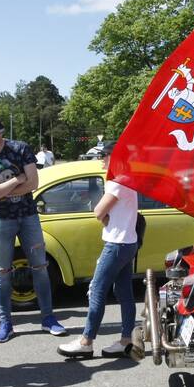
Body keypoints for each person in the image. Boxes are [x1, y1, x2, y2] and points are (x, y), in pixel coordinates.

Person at [0, 111, 67, 342]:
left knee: (40, 267)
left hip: (28, 216)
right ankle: (5, 323)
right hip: (0, 220)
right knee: (2, 271)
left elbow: (33, 182)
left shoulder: (20, 148)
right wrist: (16, 180)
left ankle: (48, 318)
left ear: (2, 130)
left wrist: (1, 191)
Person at [58, 142, 138, 359]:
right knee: (124, 293)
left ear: (116, 157)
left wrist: (103, 217)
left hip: (116, 244)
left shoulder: (117, 182)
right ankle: (126, 340)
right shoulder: (129, 180)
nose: (101, 159)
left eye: (105, 155)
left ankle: (86, 341)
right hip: (128, 242)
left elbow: (98, 211)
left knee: (96, 290)